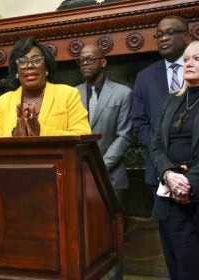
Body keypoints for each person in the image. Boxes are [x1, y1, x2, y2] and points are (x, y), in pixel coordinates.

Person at [131, 15, 189, 278]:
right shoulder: (145, 77)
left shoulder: (196, 68)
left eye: (170, 32)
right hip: (160, 173)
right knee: (169, 242)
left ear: (186, 36)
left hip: (195, 169)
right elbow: (139, 123)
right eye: (159, 35)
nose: (163, 38)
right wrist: (161, 155)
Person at [76, 44, 132, 280]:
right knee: (84, 237)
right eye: (81, 61)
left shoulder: (122, 93)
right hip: (78, 177)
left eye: (90, 59)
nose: (85, 64)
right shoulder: (71, 93)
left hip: (111, 177)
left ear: (103, 62)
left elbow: (124, 135)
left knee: (112, 238)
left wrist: (99, 166)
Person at [150, 40, 199, 280]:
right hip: (169, 196)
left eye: (197, 59)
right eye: (187, 59)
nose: (189, 63)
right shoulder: (171, 101)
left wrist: (188, 183)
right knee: (175, 265)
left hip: (194, 196)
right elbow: (157, 145)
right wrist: (169, 175)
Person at [0, 37, 91, 137]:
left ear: (46, 68)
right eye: (22, 61)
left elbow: (83, 135)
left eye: (36, 60)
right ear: (16, 71)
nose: (29, 65)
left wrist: (40, 131)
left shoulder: (68, 94)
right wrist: (15, 136)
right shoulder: (2, 102)